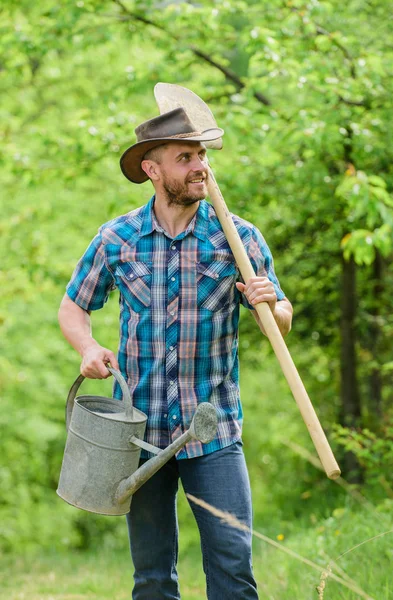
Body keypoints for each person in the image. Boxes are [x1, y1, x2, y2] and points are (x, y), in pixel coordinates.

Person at [58, 107, 293, 600]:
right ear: (152, 169)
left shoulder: (237, 238)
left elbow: (281, 323)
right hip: (138, 437)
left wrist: (271, 302)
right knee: (151, 577)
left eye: (202, 154)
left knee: (233, 569)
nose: (200, 166)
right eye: (185, 157)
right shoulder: (117, 239)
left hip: (214, 430)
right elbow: (73, 308)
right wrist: (89, 347)